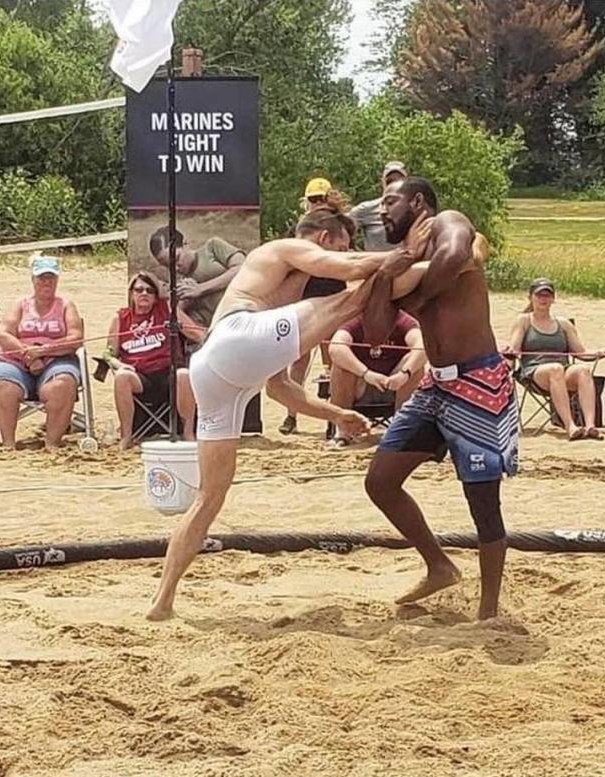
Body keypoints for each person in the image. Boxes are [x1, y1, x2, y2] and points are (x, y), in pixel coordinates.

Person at [146, 206, 431, 621]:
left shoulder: (287, 300)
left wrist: (336, 413)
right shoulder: (284, 249)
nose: (345, 251)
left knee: (209, 498)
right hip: (236, 336)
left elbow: (280, 388)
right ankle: (446, 262)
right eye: (341, 240)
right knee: (351, 300)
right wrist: (406, 252)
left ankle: (162, 601)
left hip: (219, 374)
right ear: (322, 236)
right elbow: (349, 266)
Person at [363, 176, 517, 621]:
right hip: (436, 386)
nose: (382, 210)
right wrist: (394, 271)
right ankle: (438, 565)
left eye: (390, 201)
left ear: (417, 203)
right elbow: (375, 333)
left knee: (483, 503)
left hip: (479, 381)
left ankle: (488, 610)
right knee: (380, 480)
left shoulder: (450, 222)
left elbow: (453, 255)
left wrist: (417, 295)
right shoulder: (401, 259)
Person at [279, 178, 355, 435]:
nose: (317, 204)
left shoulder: (340, 226)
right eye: (313, 199)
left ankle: (333, 418)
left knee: (333, 358)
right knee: (298, 358)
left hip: (333, 295)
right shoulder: (299, 229)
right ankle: (292, 414)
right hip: (306, 299)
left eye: (320, 198)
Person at [0, 255, 84, 450]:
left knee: (63, 385)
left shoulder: (66, 305)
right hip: (17, 360)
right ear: (33, 279)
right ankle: (8, 443)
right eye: (41, 277)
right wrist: (28, 355)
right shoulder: (20, 304)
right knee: (2, 385)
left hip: (56, 360)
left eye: (51, 277)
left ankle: (52, 443)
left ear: (57, 280)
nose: (46, 282)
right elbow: (3, 334)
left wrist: (42, 351)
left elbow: (76, 338)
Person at [504, 278, 605, 440]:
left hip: (561, 372)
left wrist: (602, 352)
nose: (543, 299)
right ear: (530, 297)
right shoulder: (523, 321)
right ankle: (570, 426)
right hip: (534, 372)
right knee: (555, 369)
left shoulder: (564, 324)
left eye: (547, 295)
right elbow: (514, 349)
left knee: (582, 370)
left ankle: (590, 426)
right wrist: (506, 362)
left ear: (553, 299)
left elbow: (581, 354)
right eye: (539, 295)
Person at [104, 272, 195, 449]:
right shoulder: (121, 318)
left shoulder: (167, 310)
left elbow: (196, 334)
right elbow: (108, 354)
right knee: (122, 376)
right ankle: (126, 437)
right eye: (139, 290)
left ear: (156, 296)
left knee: (184, 374)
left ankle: (188, 433)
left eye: (149, 290)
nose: (144, 294)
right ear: (131, 294)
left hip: (168, 373)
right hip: (139, 376)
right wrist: (120, 365)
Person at [326, 308, 426, 446]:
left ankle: (401, 430)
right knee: (341, 366)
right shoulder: (355, 320)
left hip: (394, 385)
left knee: (415, 365)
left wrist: (403, 374)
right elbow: (335, 348)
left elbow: (422, 346)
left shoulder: (403, 320)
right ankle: (343, 432)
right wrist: (366, 374)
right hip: (361, 386)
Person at [148, 228, 246, 339]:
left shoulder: (212, 247)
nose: (175, 268)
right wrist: (183, 302)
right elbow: (181, 319)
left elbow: (242, 267)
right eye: (168, 266)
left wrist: (201, 289)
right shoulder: (176, 282)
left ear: (185, 244)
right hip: (219, 334)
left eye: (177, 258)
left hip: (244, 315)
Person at [348, 161, 408, 250]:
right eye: (389, 181)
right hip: (376, 263)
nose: (393, 185)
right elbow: (342, 229)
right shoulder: (366, 209)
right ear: (382, 182)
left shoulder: (414, 208)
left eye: (398, 181)